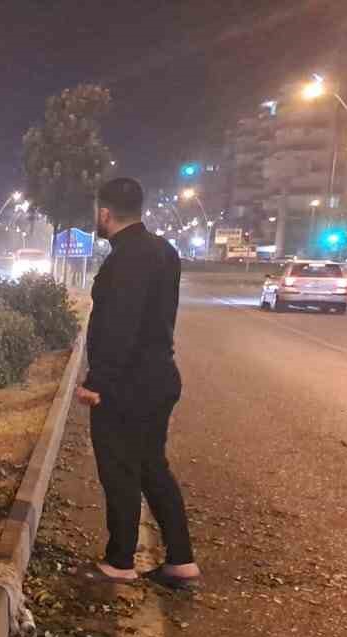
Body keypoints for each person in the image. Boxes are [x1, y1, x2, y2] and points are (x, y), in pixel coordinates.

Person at [76, 177, 198, 591]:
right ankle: (180, 559)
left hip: (127, 385)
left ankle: (120, 561)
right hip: (160, 376)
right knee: (151, 466)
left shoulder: (124, 259)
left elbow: (119, 325)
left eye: (98, 212)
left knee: (120, 469)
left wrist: (98, 381)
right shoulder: (165, 251)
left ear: (105, 213)